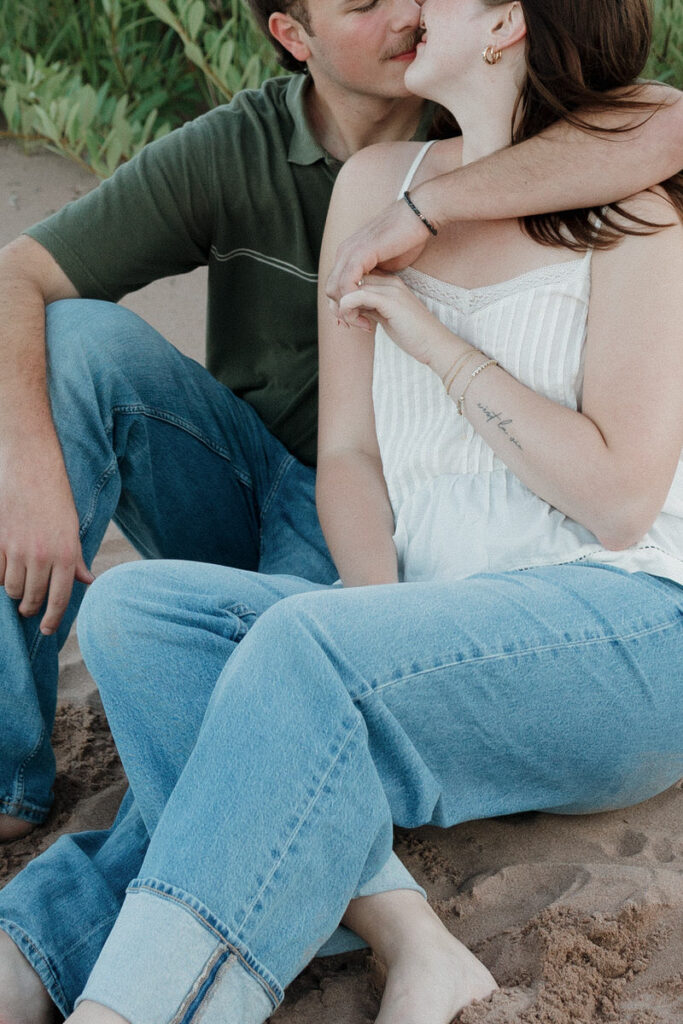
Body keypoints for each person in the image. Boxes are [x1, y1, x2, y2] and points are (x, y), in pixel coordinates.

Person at [0, 0, 681, 1021]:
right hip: (422, 604)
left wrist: (434, 333)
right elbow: (350, 453)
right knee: (138, 614)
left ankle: (112, 998)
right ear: (295, 34)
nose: (409, 6)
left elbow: (620, 503)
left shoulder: (632, 202)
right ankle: (409, 931)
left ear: (506, 22)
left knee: (294, 656)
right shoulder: (367, 183)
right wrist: (373, 618)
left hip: (615, 613)